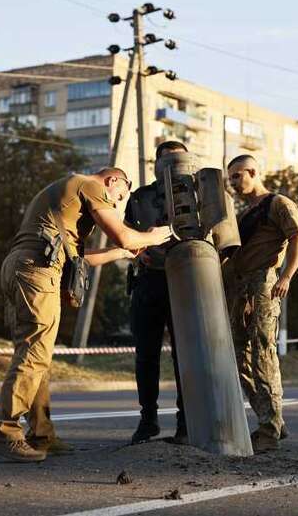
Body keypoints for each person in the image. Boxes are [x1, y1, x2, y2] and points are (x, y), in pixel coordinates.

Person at [0, 167, 172, 462]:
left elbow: (81, 259)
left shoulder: (67, 197)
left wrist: (121, 254)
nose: (116, 204)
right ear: (113, 181)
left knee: (39, 356)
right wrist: (156, 235)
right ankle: (7, 431)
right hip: (37, 268)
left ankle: (42, 435)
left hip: (23, 266)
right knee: (35, 353)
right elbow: (126, 236)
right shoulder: (90, 185)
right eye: (119, 197)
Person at [224, 154, 298, 452]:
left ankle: (268, 430)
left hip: (264, 283)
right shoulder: (246, 214)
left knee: (263, 352)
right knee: (237, 354)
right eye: (230, 177)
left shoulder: (278, 204)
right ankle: (271, 419)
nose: (232, 182)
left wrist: (286, 276)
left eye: (236, 176)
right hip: (241, 288)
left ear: (253, 172)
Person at [124, 141, 188, 445]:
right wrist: (137, 253)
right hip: (148, 282)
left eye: (175, 161)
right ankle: (148, 420)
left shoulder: (199, 193)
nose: (169, 167)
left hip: (186, 284)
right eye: (163, 161)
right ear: (155, 165)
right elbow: (122, 234)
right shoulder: (140, 197)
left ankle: (186, 422)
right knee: (146, 356)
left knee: (185, 356)